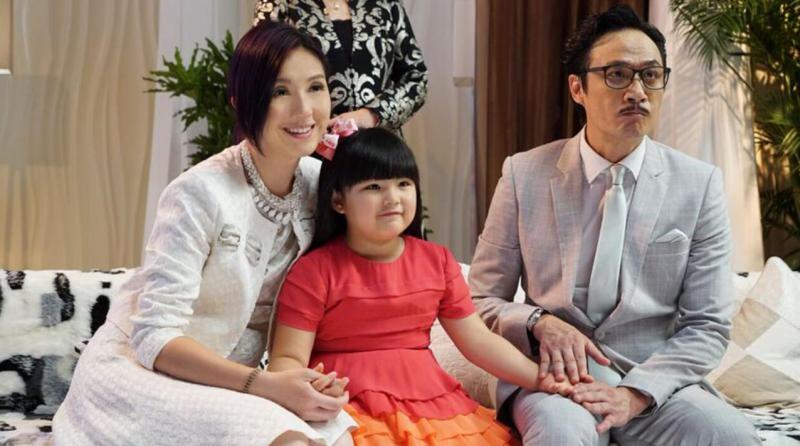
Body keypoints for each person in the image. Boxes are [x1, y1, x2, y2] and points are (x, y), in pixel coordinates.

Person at [53, 21, 357, 446]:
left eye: (316, 87)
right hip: (139, 374)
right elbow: (154, 338)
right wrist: (265, 386)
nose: (304, 110)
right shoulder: (199, 192)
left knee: (336, 435)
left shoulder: (320, 184)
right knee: (289, 441)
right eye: (279, 91)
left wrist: (307, 382)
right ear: (242, 101)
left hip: (238, 381)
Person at [469, 5, 761, 446]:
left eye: (651, 75)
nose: (637, 91)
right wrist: (537, 321)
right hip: (557, 379)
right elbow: (479, 300)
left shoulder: (699, 185)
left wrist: (634, 394)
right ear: (577, 88)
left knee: (732, 436)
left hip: (655, 384)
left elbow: (707, 325)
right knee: (560, 435)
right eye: (618, 74)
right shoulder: (523, 174)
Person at [269, 128, 572, 445]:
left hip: (433, 404)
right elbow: (286, 359)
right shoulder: (313, 271)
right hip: (347, 403)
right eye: (374, 186)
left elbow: (478, 341)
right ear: (338, 200)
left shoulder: (436, 261)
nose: (393, 198)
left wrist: (544, 380)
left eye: (403, 184)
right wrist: (311, 389)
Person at [253, 0, 428, 133]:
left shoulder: (387, 4)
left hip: (378, 149)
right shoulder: (277, 4)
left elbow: (416, 77)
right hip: (309, 145)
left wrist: (371, 116)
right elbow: (259, 76)